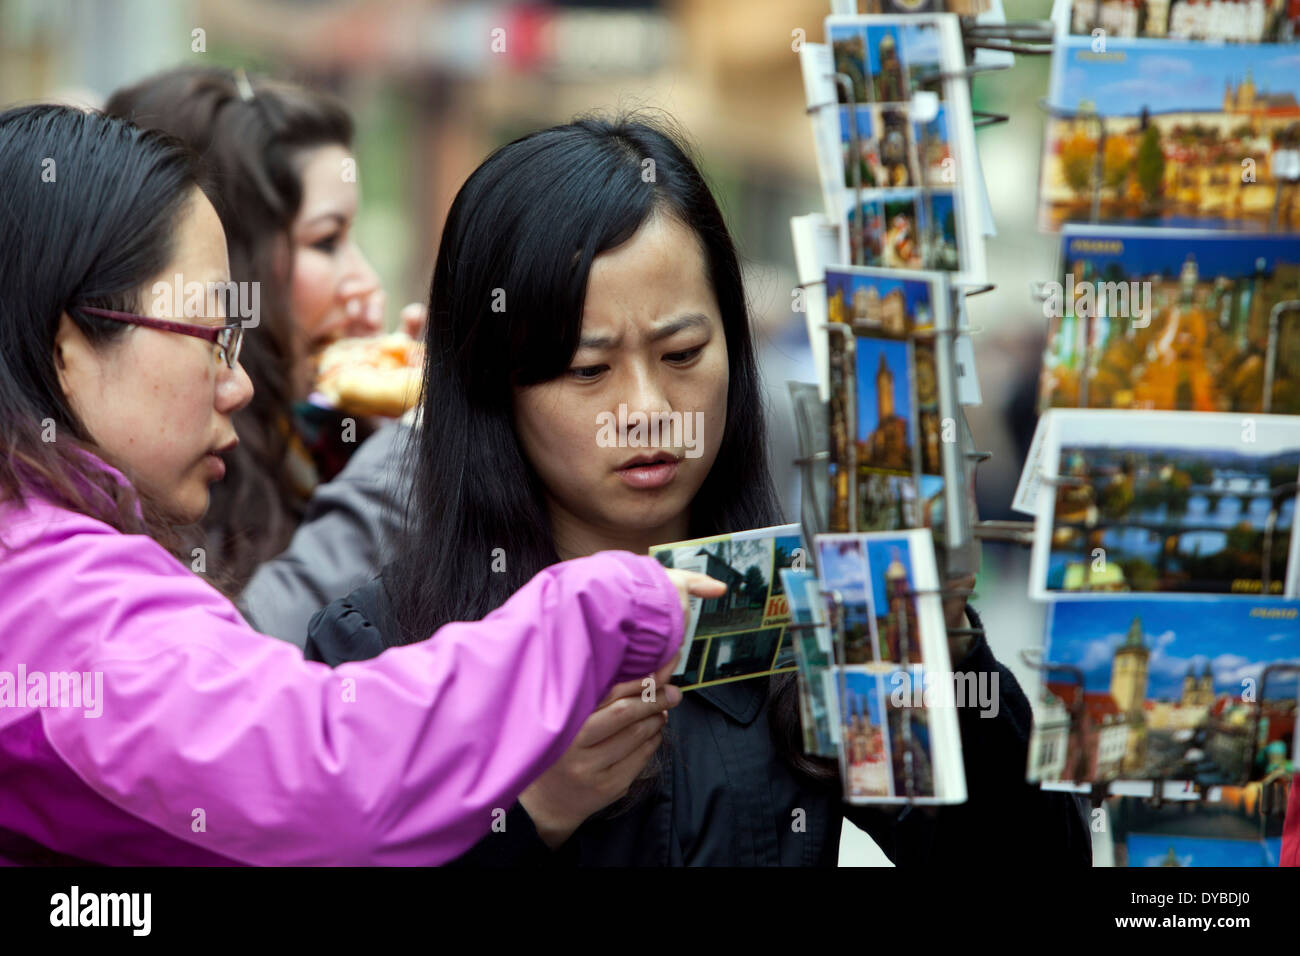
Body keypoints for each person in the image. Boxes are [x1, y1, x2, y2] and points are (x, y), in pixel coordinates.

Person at [308, 113, 1094, 865]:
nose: (648, 413)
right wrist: (529, 818)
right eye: (589, 370)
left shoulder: (805, 610)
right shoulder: (377, 647)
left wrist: (946, 644)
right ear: (492, 384)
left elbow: (1030, 856)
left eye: (682, 353)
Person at [0, 103, 717, 865]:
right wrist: (605, 607)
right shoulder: (59, 595)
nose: (236, 383)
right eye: (211, 337)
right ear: (67, 346)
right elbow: (324, 765)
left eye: (683, 352)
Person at [104, 67, 420, 600]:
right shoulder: (154, 487)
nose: (367, 286)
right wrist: (405, 458)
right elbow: (254, 656)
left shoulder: (321, 444)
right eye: (326, 241)